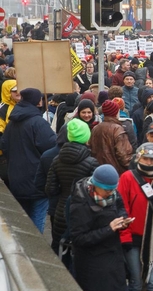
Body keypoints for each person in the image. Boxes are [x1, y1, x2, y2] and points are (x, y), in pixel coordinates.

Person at [70, 164, 130, 291]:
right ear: (95, 185)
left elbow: (120, 207)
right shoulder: (81, 204)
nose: (111, 193)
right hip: (92, 264)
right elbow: (79, 238)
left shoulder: (113, 194)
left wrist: (123, 220)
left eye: (113, 189)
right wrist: (109, 229)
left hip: (113, 257)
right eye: (107, 190)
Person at [117, 143, 153, 291]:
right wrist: (124, 237)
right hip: (132, 237)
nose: (150, 163)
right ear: (138, 158)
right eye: (146, 158)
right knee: (136, 282)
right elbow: (121, 208)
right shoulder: (127, 177)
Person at [1, 87, 56, 233]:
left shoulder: (11, 123)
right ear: (36, 101)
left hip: (16, 178)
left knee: (22, 221)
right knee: (37, 219)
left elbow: (4, 145)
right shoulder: (38, 123)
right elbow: (50, 148)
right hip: (37, 179)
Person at [45, 119, 98, 261]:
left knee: (59, 251)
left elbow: (50, 189)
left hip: (60, 212)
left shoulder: (57, 160)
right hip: (84, 214)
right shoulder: (92, 162)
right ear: (86, 137)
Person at [90, 100, 133, 175]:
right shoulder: (118, 129)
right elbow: (124, 156)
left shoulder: (95, 128)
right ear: (116, 113)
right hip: (115, 172)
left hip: (98, 171)